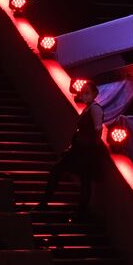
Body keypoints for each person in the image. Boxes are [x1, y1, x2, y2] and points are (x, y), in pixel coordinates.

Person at [40, 82, 106, 213]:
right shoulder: (88, 109)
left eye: (87, 93)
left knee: (84, 179)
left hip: (86, 151)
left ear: (94, 94)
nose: (84, 95)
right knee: (75, 176)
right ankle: (46, 202)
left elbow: (98, 129)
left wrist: (92, 146)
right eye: (83, 92)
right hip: (80, 149)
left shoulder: (95, 108)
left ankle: (81, 211)